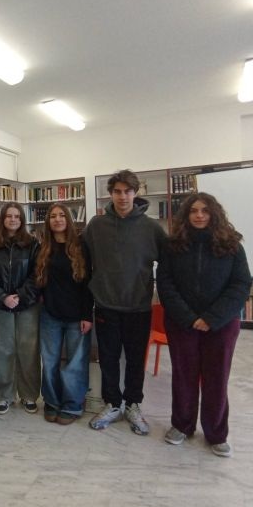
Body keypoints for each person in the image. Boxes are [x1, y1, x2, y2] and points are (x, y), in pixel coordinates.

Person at [155, 192, 252, 457]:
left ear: (214, 214)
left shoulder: (231, 244)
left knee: (216, 379)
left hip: (221, 324)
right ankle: (182, 426)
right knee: (183, 376)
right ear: (186, 215)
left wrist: (211, 318)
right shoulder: (173, 245)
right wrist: (189, 318)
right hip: (181, 323)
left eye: (205, 211)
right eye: (193, 211)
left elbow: (241, 284)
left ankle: (216, 434)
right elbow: (165, 283)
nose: (199, 215)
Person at [83, 169, 167, 435]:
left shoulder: (152, 228)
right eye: (117, 192)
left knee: (134, 361)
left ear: (135, 193)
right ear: (110, 194)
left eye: (127, 191)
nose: (122, 197)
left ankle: (133, 405)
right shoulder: (96, 226)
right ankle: (112, 404)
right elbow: (81, 259)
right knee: (108, 359)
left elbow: (170, 264)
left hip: (138, 307)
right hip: (106, 305)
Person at [35, 204, 93, 424]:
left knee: (75, 363)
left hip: (77, 316)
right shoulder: (43, 247)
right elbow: (39, 281)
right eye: (52, 216)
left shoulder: (81, 246)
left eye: (61, 215)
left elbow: (88, 283)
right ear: (48, 221)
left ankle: (73, 404)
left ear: (68, 219)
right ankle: (51, 402)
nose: (57, 219)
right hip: (50, 314)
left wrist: (87, 315)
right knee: (49, 361)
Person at [0, 202, 41, 415]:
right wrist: (3, 297)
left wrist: (20, 296)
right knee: (2, 351)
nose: (13, 220)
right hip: (1, 306)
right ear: (2, 219)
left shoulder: (33, 244)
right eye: (9, 216)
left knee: (29, 351)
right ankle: (4, 395)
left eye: (17, 216)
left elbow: (37, 274)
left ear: (22, 220)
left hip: (27, 305)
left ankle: (29, 395)